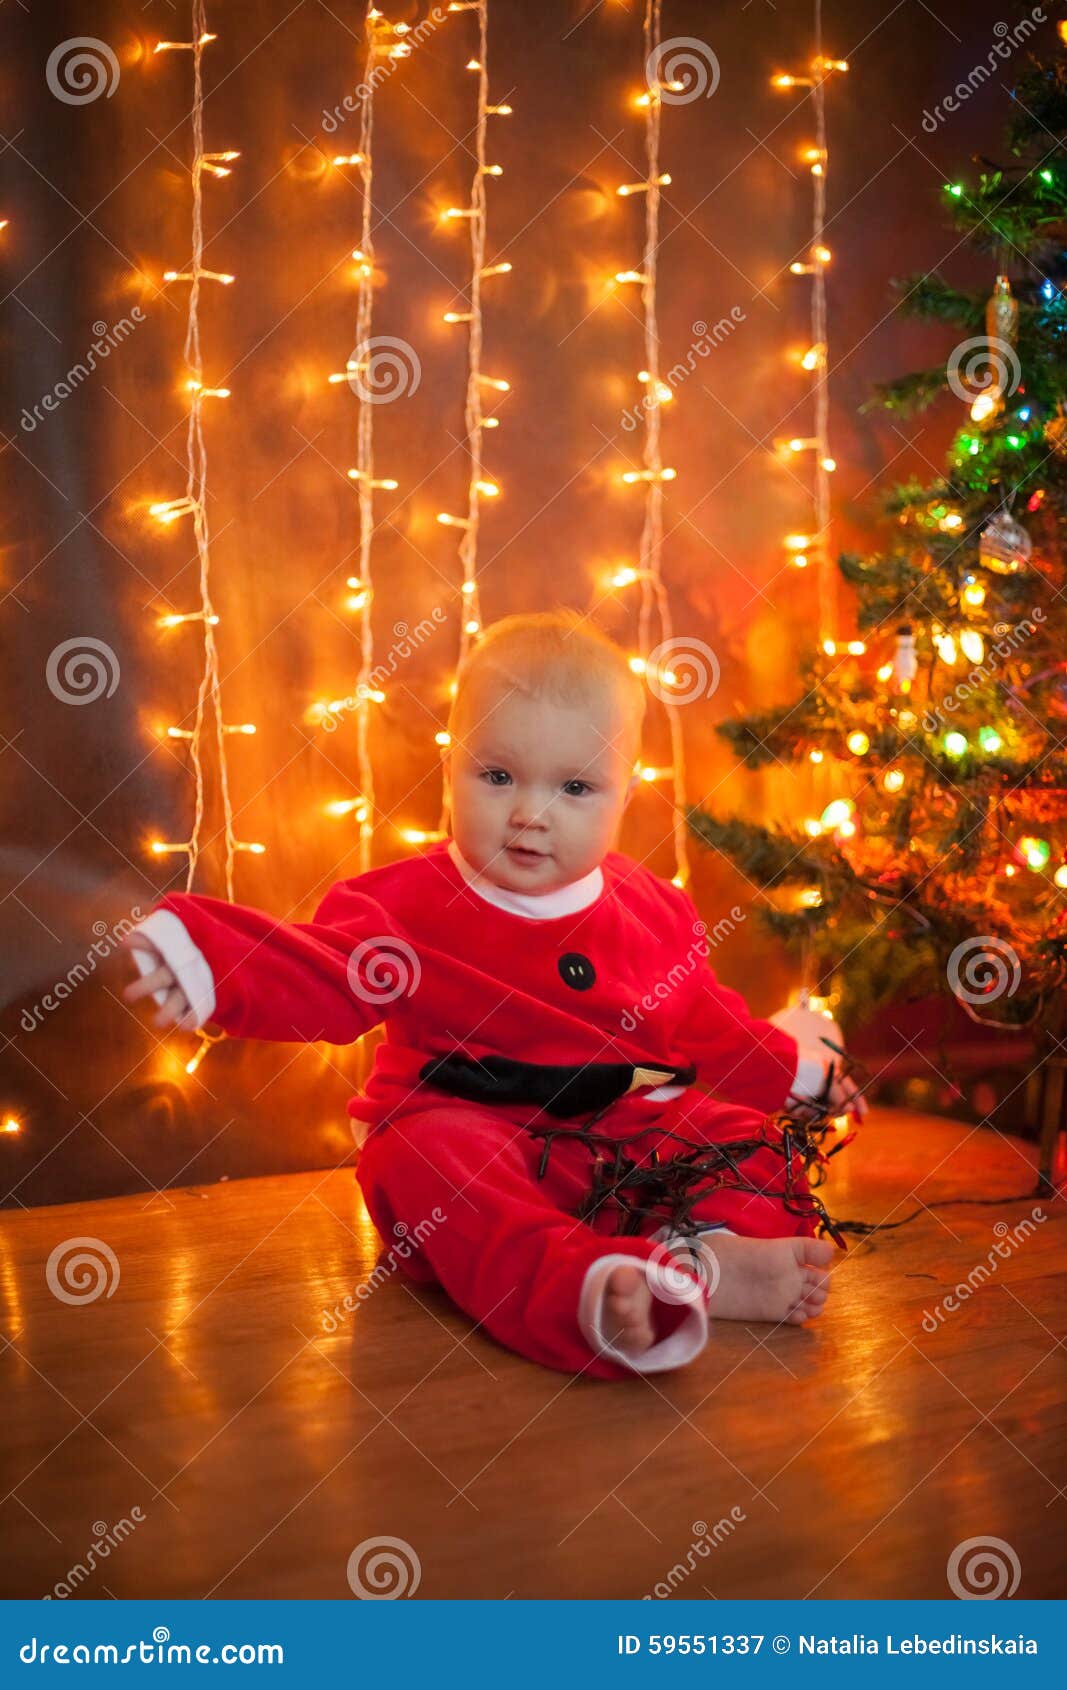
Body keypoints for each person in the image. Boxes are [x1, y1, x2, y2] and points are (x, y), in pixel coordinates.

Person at [122, 611, 861, 1380]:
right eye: (498, 776)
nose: (529, 816)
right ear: (452, 768)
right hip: (472, 1126)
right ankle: (585, 1290)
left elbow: (709, 1032)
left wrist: (805, 1074)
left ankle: (701, 1258)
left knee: (746, 1145)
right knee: (425, 1161)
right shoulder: (405, 905)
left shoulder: (653, 911)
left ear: (623, 792)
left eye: (574, 787)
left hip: (625, 1133)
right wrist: (206, 960)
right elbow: (322, 970)